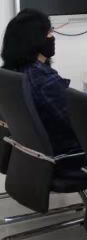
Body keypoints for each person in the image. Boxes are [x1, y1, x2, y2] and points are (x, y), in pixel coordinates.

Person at [1, 9, 82, 156]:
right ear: (35, 39)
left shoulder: (12, 73)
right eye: (49, 32)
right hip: (70, 154)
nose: (52, 37)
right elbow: (78, 124)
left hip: (34, 156)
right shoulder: (43, 80)